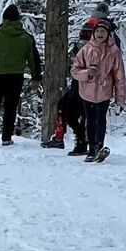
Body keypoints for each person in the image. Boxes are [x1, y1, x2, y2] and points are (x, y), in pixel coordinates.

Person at [0, 4, 43, 147]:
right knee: (11, 106)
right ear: (18, 20)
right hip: (16, 76)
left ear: (4, 19)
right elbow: (34, 59)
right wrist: (36, 77)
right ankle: (7, 137)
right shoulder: (27, 38)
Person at [71, 19, 126, 162]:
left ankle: (100, 145)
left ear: (108, 34)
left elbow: (119, 76)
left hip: (104, 92)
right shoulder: (86, 49)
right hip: (87, 92)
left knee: (100, 119)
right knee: (89, 120)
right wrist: (87, 72)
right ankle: (92, 148)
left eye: (103, 31)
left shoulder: (114, 51)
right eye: (98, 31)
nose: (100, 34)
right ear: (93, 33)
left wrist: (120, 98)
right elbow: (74, 70)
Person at [42, 17, 97, 154]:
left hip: (90, 87)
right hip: (77, 85)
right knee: (66, 109)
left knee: (83, 114)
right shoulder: (79, 46)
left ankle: (84, 143)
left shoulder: (99, 48)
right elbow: (73, 65)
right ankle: (74, 140)